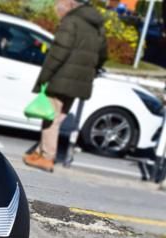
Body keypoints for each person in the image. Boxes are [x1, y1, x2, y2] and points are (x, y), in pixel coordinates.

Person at [24, 0, 108, 172]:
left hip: (61, 80)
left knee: (50, 118)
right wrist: (91, 71)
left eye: (59, 7)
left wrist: (43, 79)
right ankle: (39, 152)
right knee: (57, 118)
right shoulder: (97, 25)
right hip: (80, 82)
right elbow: (103, 54)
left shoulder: (71, 22)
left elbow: (57, 54)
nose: (57, 11)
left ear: (70, 4)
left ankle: (47, 157)